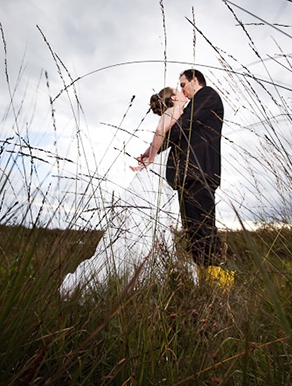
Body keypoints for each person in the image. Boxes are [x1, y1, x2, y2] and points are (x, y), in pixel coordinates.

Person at [60, 87, 192, 296]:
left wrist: (148, 154)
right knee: (146, 223)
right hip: (157, 173)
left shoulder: (178, 112)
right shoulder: (176, 110)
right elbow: (159, 132)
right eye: (179, 90)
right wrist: (150, 158)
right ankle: (139, 276)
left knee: (147, 224)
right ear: (174, 98)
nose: (183, 93)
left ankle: (142, 273)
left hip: (157, 170)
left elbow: (161, 136)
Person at [145, 68, 233, 288]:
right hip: (186, 177)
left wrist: (167, 129)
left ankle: (219, 284)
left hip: (200, 173)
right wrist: (151, 150)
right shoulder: (191, 106)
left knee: (204, 230)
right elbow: (171, 137)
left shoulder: (208, 96)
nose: (182, 89)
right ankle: (205, 282)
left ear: (195, 80)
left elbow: (182, 129)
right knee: (192, 231)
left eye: (183, 84)